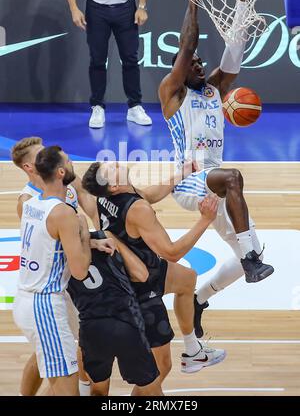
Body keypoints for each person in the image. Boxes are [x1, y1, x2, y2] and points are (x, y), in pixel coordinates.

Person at [158, 0, 274, 339]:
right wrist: (193, 5)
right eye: (189, 62)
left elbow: (234, 51)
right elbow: (187, 44)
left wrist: (240, 2)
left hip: (214, 179)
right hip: (189, 179)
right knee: (233, 177)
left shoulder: (213, 90)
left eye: (198, 63)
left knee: (250, 249)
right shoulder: (171, 92)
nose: (195, 63)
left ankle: (199, 299)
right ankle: (252, 263)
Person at [82, 161, 226, 378]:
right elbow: (172, 252)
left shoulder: (107, 196)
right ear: (113, 186)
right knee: (159, 369)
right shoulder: (138, 210)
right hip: (140, 280)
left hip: (130, 266)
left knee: (187, 279)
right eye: (110, 169)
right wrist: (205, 220)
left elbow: (146, 194)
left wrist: (181, 174)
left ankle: (193, 350)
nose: (115, 163)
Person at [11, 136, 100, 396]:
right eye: (41, 155)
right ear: (31, 167)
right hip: (49, 290)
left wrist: (97, 236)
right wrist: (82, 232)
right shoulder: (27, 201)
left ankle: (80, 387)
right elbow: (58, 246)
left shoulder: (62, 186)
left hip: (56, 286)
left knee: (75, 344)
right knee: (48, 358)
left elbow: (83, 197)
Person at [65, 0, 152, 129]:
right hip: (96, 10)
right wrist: (74, 9)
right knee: (97, 60)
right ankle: (97, 106)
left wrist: (142, 6)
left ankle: (135, 106)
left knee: (130, 58)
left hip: (127, 8)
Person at [68, 230, 163, 396]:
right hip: (126, 324)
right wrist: (116, 240)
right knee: (152, 391)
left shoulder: (59, 254)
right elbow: (141, 275)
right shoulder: (103, 238)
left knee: (98, 391)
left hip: (92, 328)